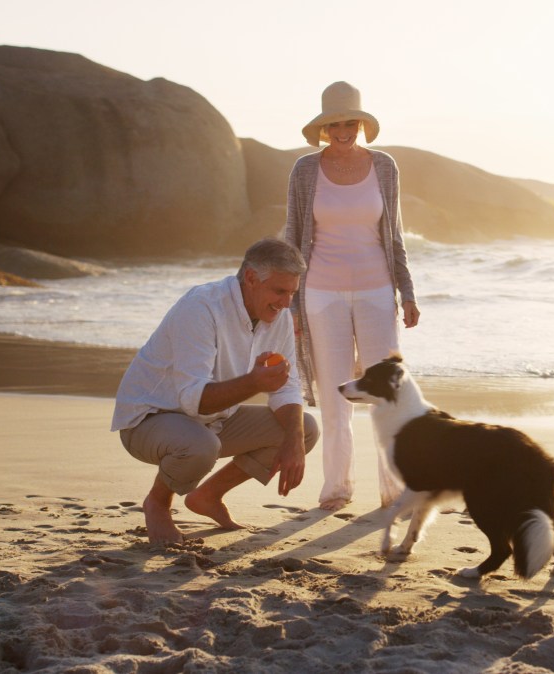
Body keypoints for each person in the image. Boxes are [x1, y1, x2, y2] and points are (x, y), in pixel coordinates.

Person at [110, 238, 320, 544]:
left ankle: (208, 495)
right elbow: (194, 400)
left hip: (213, 421)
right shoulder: (202, 306)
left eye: (292, 293)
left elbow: (287, 387)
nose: (286, 302)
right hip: (150, 419)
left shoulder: (279, 316)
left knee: (304, 429)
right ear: (250, 278)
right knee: (200, 446)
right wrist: (254, 382)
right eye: (279, 291)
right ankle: (158, 502)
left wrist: (295, 441)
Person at [283, 81, 420, 512]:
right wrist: (291, 302)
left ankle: (394, 490)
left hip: (378, 290)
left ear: (361, 124)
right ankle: (337, 488)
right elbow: (294, 235)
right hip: (321, 292)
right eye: (334, 123)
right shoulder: (305, 170)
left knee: (386, 392)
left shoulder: (385, 167)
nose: (343, 130)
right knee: (334, 391)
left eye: (350, 122)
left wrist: (407, 291)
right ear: (324, 128)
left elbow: (393, 235)